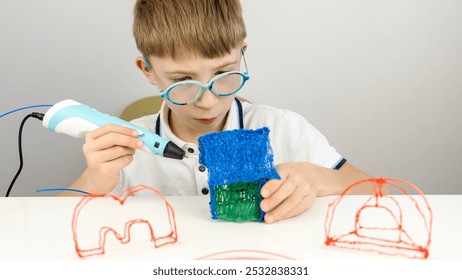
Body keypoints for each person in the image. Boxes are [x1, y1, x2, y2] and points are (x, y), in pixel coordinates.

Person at [67, 0, 374, 224]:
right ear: (147, 71)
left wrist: (319, 178)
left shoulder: (285, 129)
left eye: (224, 73)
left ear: (242, 54)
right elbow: (48, 234)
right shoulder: (126, 147)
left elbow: (385, 194)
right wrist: (91, 181)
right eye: (182, 81)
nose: (208, 102)